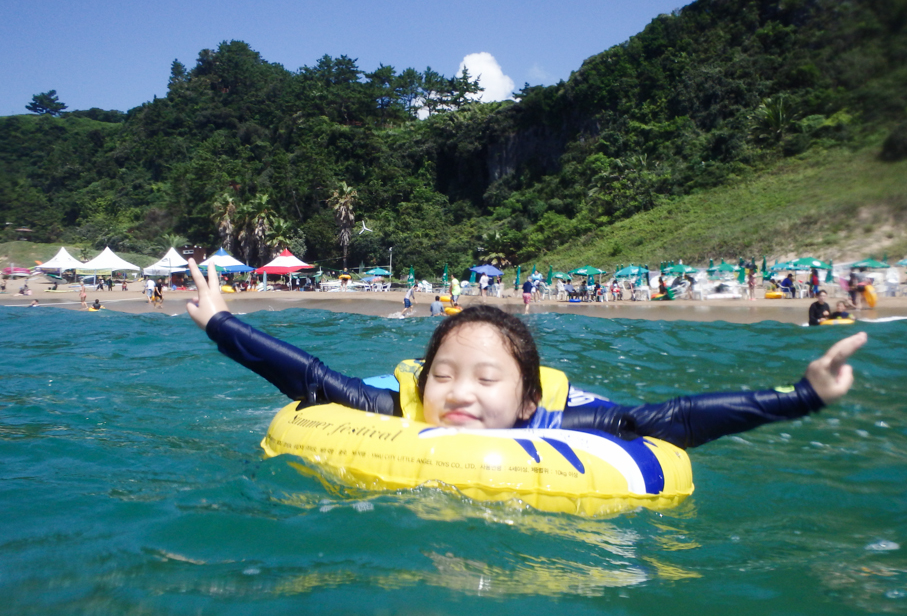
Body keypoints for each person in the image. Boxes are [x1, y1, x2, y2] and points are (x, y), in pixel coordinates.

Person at [184, 259, 866, 446]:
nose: (460, 391)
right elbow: (310, 377)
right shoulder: (396, 410)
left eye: (487, 378)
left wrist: (803, 397)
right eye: (443, 374)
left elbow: (671, 419)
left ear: (526, 400)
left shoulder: (560, 426)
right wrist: (221, 322)